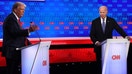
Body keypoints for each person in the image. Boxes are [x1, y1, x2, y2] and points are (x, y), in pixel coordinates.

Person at [90, 6, 130, 74]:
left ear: (107, 12)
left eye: (103, 12)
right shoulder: (95, 22)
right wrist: (96, 42)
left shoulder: (111, 21)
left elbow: (119, 29)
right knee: (99, 65)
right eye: (100, 12)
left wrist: (125, 36)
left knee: (109, 65)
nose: (102, 13)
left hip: (109, 48)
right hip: (99, 47)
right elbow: (92, 34)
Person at [2, 2, 38, 74]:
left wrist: (28, 40)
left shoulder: (15, 19)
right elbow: (15, 32)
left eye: (24, 10)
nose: (23, 12)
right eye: (22, 9)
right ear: (15, 9)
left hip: (15, 51)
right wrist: (29, 30)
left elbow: (18, 33)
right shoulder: (11, 19)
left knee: (14, 70)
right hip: (12, 51)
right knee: (12, 71)